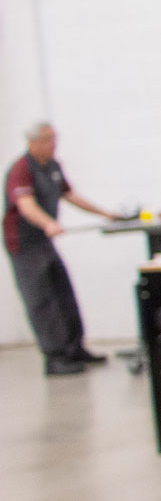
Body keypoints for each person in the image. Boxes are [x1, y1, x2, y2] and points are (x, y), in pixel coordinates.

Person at [5, 122, 121, 375]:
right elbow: (25, 205)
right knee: (41, 301)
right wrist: (48, 223)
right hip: (24, 245)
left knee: (63, 293)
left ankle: (74, 348)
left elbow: (71, 195)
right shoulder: (22, 169)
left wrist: (107, 214)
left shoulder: (53, 166)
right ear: (33, 142)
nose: (53, 144)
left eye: (54, 138)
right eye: (48, 139)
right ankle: (55, 358)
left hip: (45, 241)